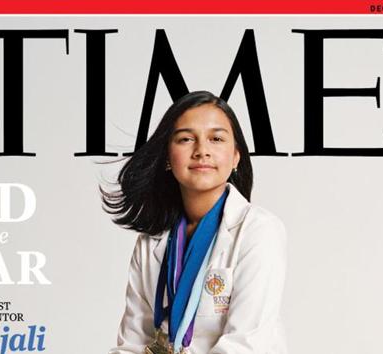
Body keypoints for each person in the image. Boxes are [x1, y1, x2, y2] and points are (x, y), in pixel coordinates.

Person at [102, 91, 287, 354]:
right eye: (186, 139)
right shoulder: (151, 240)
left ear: (236, 157)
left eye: (217, 139)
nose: (202, 151)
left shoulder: (259, 231)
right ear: (167, 157)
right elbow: (132, 344)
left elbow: (246, 345)